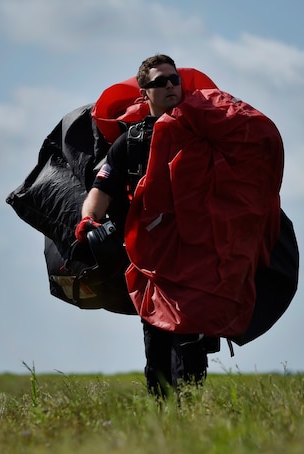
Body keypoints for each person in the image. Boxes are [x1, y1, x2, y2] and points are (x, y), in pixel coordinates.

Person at [74, 54, 219, 397]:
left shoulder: (204, 132)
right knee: (156, 352)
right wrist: (88, 220)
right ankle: (163, 426)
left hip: (194, 257)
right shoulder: (131, 142)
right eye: (159, 81)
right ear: (144, 93)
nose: (170, 85)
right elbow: (102, 189)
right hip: (149, 262)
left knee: (189, 345)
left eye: (174, 79)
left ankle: (191, 421)